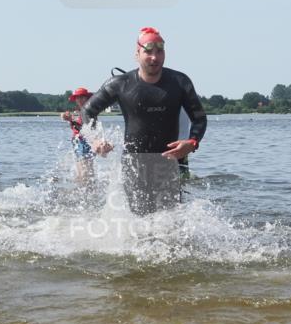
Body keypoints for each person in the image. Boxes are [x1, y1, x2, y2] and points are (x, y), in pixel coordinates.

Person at [82, 27, 207, 214]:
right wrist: (95, 139)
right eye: (148, 52)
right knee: (139, 220)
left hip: (167, 162)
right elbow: (87, 111)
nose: (155, 58)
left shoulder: (180, 82)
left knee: (169, 222)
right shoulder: (120, 83)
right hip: (134, 163)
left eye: (160, 51)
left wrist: (192, 142)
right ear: (137, 53)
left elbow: (199, 119)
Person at [62, 87, 113, 184]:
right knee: (80, 171)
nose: (79, 100)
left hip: (86, 141)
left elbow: (87, 128)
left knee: (86, 169)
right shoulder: (77, 112)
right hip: (77, 142)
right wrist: (65, 117)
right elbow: (71, 119)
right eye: (77, 98)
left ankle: (90, 190)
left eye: (82, 97)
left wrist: (71, 119)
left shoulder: (90, 110)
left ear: (87, 98)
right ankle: (83, 189)